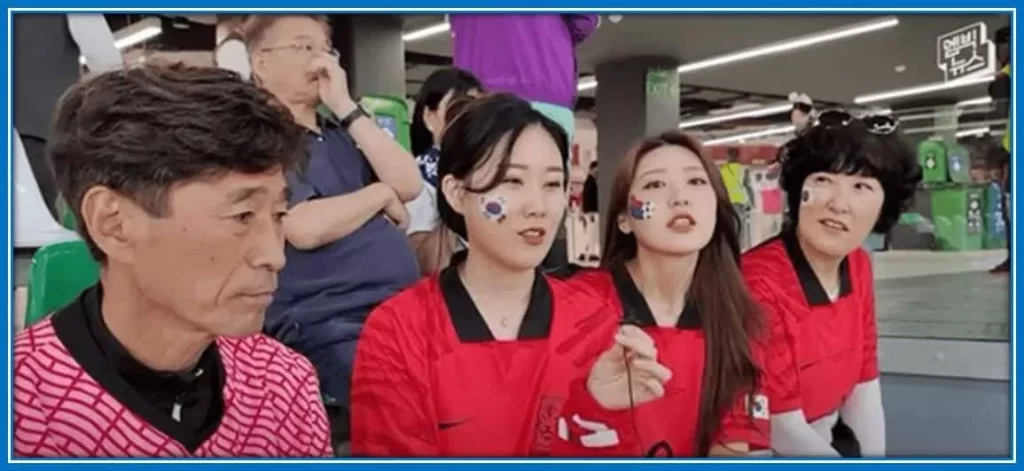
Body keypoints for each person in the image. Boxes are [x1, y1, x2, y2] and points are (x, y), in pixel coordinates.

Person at [14, 64, 331, 457]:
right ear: (113, 223)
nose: (274, 255)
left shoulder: (283, 385)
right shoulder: (22, 410)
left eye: (278, 215)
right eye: (242, 216)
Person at [349, 93, 620, 456]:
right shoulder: (399, 330)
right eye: (512, 181)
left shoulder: (594, 322)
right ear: (457, 193)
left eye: (552, 184)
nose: (537, 207)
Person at [240, 15, 422, 446]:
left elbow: (410, 184)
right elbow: (302, 226)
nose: (319, 59)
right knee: (405, 406)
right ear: (261, 63)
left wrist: (345, 106)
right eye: (303, 47)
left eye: (325, 49)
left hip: (401, 312)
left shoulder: (342, 135)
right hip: (329, 320)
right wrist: (378, 196)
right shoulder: (258, 139)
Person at [551, 131, 770, 457]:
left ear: (716, 205)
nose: (680, 197)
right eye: (654, 185)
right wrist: (594, 402)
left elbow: (732, 450)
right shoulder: (570, 306)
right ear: (624, 219)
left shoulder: (739, 319)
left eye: (696, 182)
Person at [742, 110, 921, 457]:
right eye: (823, 180)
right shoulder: (757, 281)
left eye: (862, 187)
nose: (839, 204)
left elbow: (864, 385)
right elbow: (781, 426)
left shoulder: (858, 265)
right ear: (799, 189)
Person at [450, 14, 601, 270]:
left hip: (478, 86)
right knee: (543, 195)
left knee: (484, 190)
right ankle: (541, 280)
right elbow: (585, 19)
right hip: (544, 81)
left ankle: (477, 284)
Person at [405, 67, 484, 275]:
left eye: (476, 112)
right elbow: (427, 264)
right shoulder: (416, 180)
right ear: (429, 117)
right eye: (456, 110)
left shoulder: (489, 172)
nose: (467, 122)